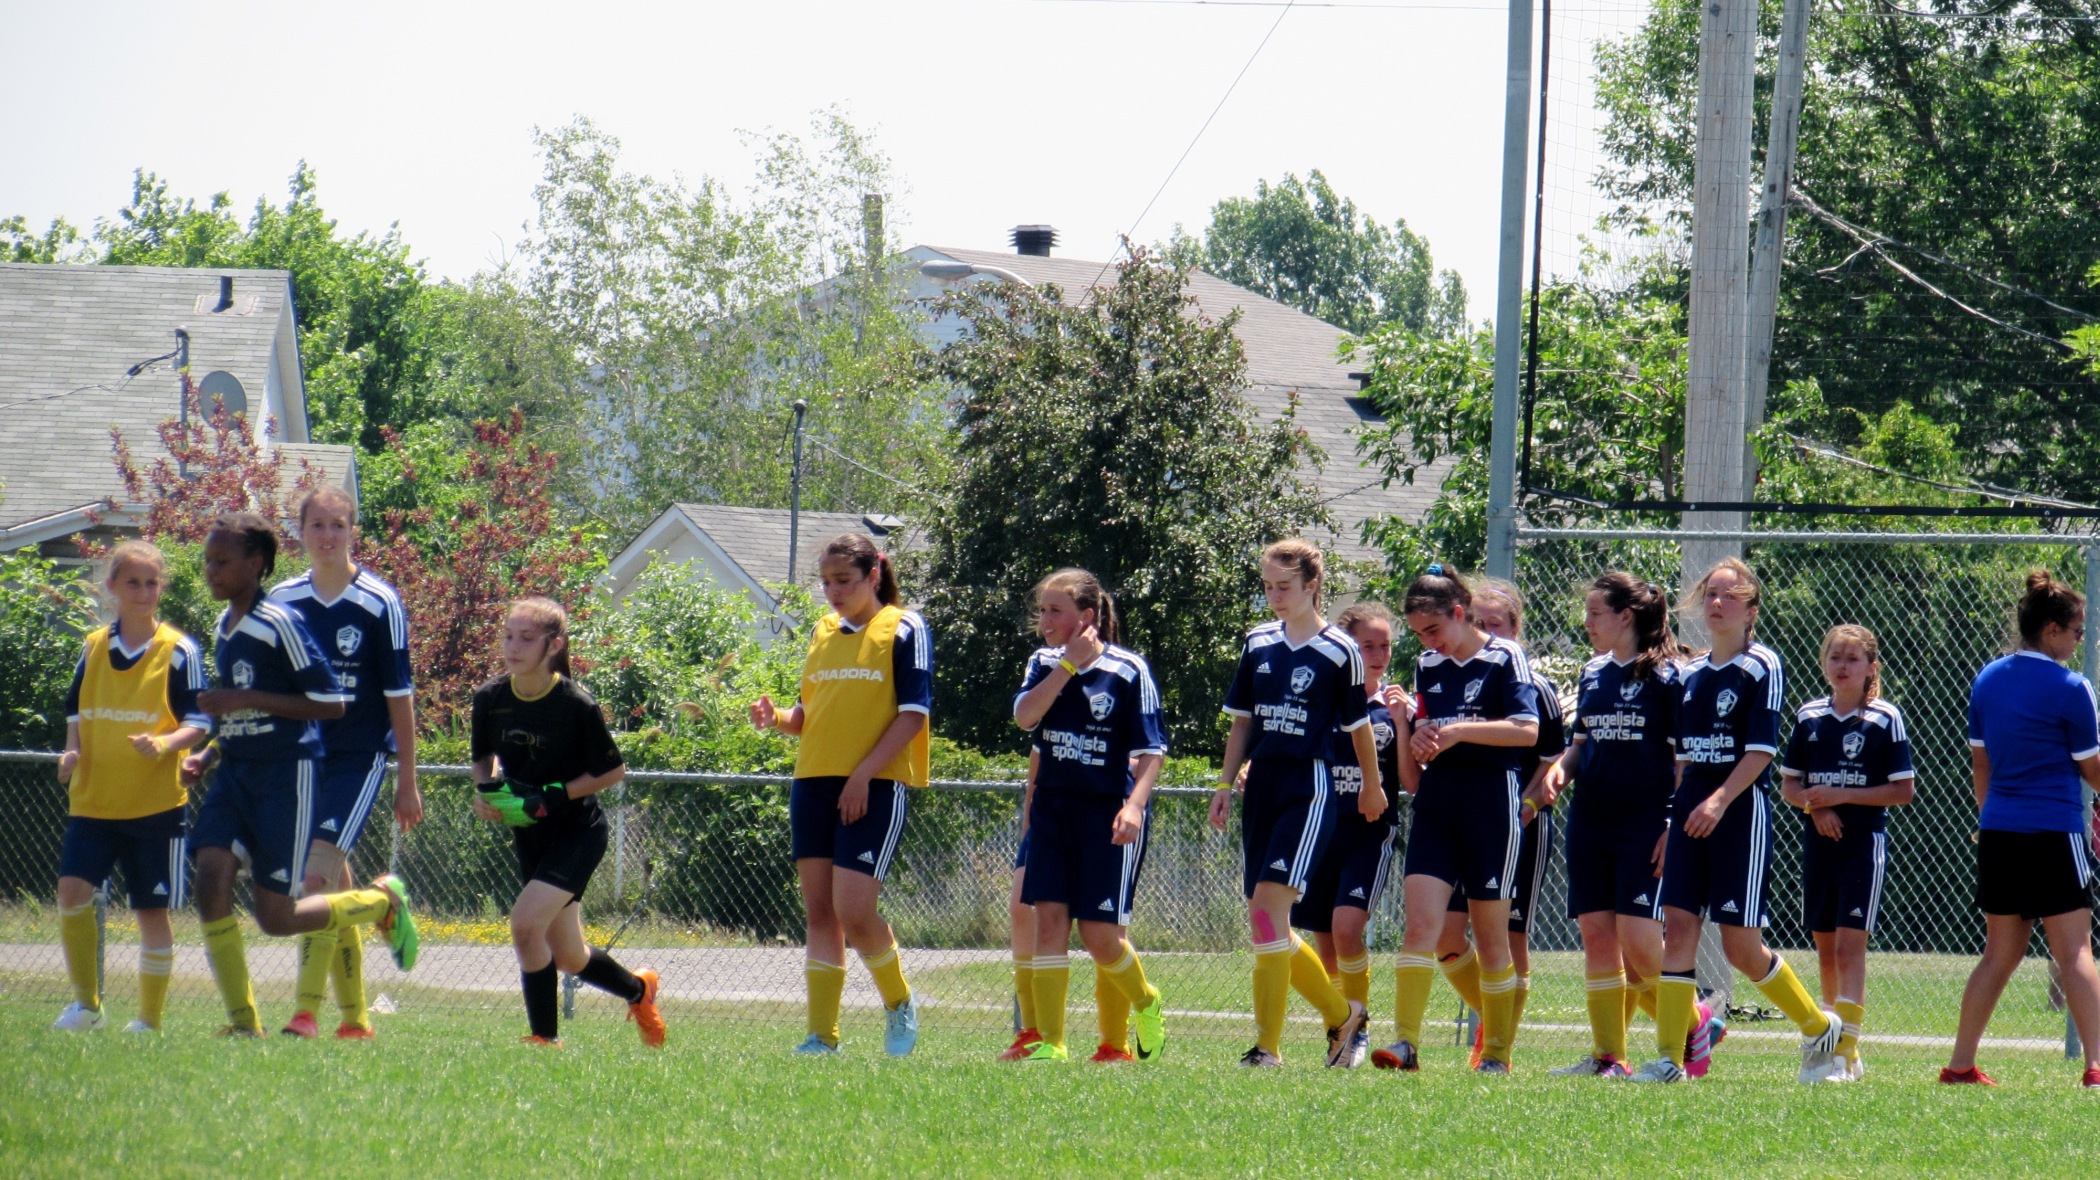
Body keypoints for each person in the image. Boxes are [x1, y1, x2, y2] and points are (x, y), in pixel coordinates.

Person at [180, 512, 417, 1037]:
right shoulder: (225, 626)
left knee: (277, 917)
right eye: (208, 561)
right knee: (211, 875)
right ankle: (245, 1023)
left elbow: (330, 702)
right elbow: (242, 713)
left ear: (255, 564)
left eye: (222, 561)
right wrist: (208, 754)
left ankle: (380, 904)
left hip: (286, 779)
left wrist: (243, 697)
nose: (211, 571)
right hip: (235, 775)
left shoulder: (279, 622)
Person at [1628, 557, 1842, 1085]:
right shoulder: (1689, 674)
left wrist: (1719, 801)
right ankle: (1670, 1060)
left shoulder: (1761, 665)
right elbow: (1682, 759)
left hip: (1739, 813)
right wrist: (1673, 819)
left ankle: (1820, 1028)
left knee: (1740, 947)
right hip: (1690, 814)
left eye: (1729, 595)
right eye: (1710, 594)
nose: (1716, 603)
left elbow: (1761, 750)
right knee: (1678, 928)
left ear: (1751, 610)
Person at [751, 534, 931, 1057]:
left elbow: (913, 716)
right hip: (813, 783)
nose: (833, 591)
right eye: (826, 582)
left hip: (874, 785)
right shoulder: (822, 631)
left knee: (854, 910)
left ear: (873, 576)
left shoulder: (905, 627)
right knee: (820, 913)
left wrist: (862, 777)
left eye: (844, 581)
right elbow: (808, 717)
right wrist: (776, 718)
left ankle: (898, 1003)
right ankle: (821, 1037)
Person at [1211, 538, 1382, 1068]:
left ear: (1312, 585)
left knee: (1269, 911)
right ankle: (1343, 1015)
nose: (1274, 596)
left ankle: (1267, 1049)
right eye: (1267, 586)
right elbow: (1242, 723)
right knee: (1265, 923)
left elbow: (1358, 727)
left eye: (1284, 586)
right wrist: (1223, 785)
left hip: (1308, 787)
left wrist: (1373, 786)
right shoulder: (1258, 642)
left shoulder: (1340, 650)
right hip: (1261, 785)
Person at [471, 597, 665, 1047]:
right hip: (530, 835)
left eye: (526, 638)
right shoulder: (490, 698)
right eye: (508, 636)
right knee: (570, 956)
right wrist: (487, 793)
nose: (513, 646)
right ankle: (640, 990)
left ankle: (545, 1039)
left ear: (553, 645)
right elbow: (483, 759)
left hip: (578, 834)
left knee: (525, 926)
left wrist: (552, 795)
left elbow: (612, 771)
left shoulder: (575, 704)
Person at [271, 486, 424, 1040]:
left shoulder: (380, 603)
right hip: (301, 763)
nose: (328, 535)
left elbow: (400, 698)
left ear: (353, 531)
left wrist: (407, 779)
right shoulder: (283, 601)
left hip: (357, 760)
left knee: (313, 879)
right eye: (318, 525)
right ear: (301, 532)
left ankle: (304, 1014)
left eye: (338, 524)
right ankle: (357, 1017)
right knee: (331, 890)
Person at [1376, 565, 1538, 1075]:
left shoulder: (1504, 657)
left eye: (1433, 629)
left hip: (1490, 805)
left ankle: (1496, 1054)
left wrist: (1459, 731)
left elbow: (1527, 730)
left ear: (1459, 613)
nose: (1428, 642)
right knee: (1421, 928)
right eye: (1419, 634)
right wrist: (1420, 735)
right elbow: (1428, 734)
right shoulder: (1429, 664)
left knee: (1491, 939)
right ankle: (1406, 1044)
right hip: (1437, 805)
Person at [1942, 571, 2100, 1088]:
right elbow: (2092, 770)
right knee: (2075, 951)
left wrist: (1991, 820)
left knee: (1998, 954)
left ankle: (1960, 1065)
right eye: (2077, 632)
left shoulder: (1988, 679)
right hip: (2055, 832)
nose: (2079, 641)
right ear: (2052, 630)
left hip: (1999, 833)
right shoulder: (2072, 688)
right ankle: (2096, 1067)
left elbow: (1980, 764)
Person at [50, 541, 212, 1033]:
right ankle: (87, 1006)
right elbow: (76, 710)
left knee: (151, 912)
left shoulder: (179, 651)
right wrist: (71, 751)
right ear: (112, 587)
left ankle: (148, 1021)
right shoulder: (93, 646)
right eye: (133, 582)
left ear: (162, 588)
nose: (143, 592)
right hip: (94, 803)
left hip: (155, 807)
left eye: (152, 583)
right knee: (72, 892)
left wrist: (165, 745)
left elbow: (200, 721)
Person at [1012, 568, 1170, 1063]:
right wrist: (1068, 666)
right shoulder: (1044, 662)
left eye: (1055, 611)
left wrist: (1134, 806)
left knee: (1099, 936)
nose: (1044, 620)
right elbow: (1025, 716)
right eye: (1042, 610)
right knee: (1048, 924)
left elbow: (1153, 751)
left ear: (1086, 616)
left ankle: (1147, 1001)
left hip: (1105, 814)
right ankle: (1052, 1043)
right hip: (1053, 809)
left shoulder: (1128, 670)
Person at [1539, 573, 1682, 1078]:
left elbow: (1682, 762)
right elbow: (1580, 745)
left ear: (1626, 616)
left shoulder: (1669, 677)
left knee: (1640, 943)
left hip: (1644, 821)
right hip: (1590, 820)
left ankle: (1695, 1022)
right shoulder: (1593, 672)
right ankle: (1609, 1058)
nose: (1587, 622)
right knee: (1598, 938)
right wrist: (1558, 771)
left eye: (1595, 613)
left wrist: (1673, 823)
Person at [1434, 579, 1564, 1068]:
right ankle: (1496, 1023)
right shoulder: (1448, 671)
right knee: (1446, 936)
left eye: (1497, 624)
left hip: (1520, 824)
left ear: (1515, 629)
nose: (1487, 631)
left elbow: (1553, 758)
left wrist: (1525, 804)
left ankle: (1496, 1049)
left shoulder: (1532, 685)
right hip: (1462, 820)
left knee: (1510, 937)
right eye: (1480, 622)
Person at [1778, 624, 1914, 1083]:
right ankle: (1830, 1043)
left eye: (1853, 659)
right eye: (1835, 657)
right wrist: (1816, 808)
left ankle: (1845, 1056)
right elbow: (1790, 784)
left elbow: (1902, 791)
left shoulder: (1884, 719)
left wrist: (1842, 796)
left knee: (1850, 949)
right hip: (1820, 846)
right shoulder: (1809, 717)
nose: (1842, 666)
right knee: (1825, 951)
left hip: (1862, 846)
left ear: (1871, 667)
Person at [1290, 601, 1417, 1068]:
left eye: (1386, 646)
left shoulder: (1395, 707)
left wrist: (1402, 722)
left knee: (1347, 929)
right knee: (1326, 945)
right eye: (1368, 646)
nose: (1379, 655)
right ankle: (1340, 1030)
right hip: (1322, 831)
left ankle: (1359, 1026)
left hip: (1368, 836)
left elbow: (1410, 779)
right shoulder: (1324, 698)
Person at [1000, 748, 1042, 1061]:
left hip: (1097, 810)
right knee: (1021, 907)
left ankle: (1115, 1041)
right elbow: (1036, 769)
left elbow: (1146, 757)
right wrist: (1029, 828)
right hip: (1047, 818)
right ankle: (1032, 1033)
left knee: (1102, 931)